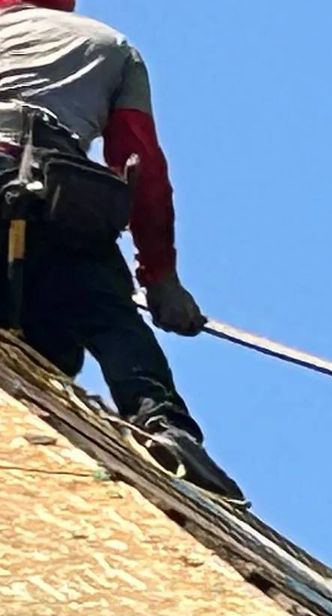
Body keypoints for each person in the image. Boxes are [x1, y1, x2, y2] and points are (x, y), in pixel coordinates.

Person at [0, 0, 239, 499]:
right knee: (101, 310)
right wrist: (160, 279)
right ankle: (161, 423)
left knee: (39, 348)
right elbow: (143, 167)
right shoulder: (108, 46)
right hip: (59, 189)